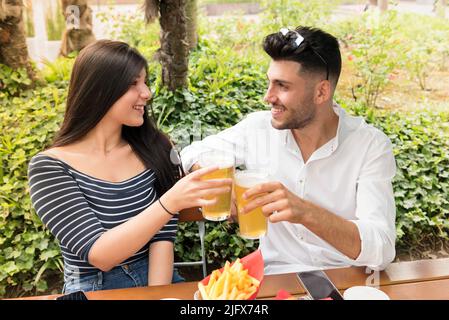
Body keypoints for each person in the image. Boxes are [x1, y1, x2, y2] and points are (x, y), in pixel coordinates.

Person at [180, 26, 397, 275]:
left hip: (348, 280)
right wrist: (217, 182)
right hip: (277, 279)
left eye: (282, 86)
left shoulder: (370, 145)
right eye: (270, 83)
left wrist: (305, 212)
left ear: (321, 92)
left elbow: (381, 248)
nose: (268, 96)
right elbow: (193, 152)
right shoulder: (258, 129)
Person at [28, 40, 232, 293]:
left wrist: (157, 295)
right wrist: (170, 202)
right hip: (94, 288)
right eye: (133, 83)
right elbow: (100, 255)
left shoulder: (155, 146)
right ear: (100, 90)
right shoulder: (49, 168)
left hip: (160, 278)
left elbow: (162, 238)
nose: (147, 93)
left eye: (145, 81)